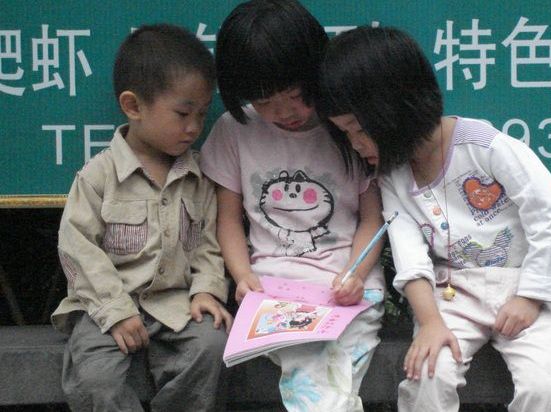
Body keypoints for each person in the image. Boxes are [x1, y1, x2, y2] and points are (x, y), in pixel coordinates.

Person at [318, 26, 551, 412]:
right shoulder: (392, 175)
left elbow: (549, 217)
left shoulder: (486, 146)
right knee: (428, 375)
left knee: (544, 389)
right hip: (451, 295)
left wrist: (529, 296)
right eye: (346, 133)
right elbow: (408, 253)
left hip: (529, 287)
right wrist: (429, 322)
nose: (355, 144)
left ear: (394, 107)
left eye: (359, 129)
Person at [199, 1, 386, 410]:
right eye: (264, 102)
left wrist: (355, 273)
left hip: (349, 284)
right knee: (314, 372)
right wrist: (242, 274)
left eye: (297, 95)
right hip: (273, 290)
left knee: (332, 373)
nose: (284, 113)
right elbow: (227, 219)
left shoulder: (347, 128)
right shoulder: (235, 130)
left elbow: (374, 216)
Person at [51, 23, 232, 412]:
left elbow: (207, 246)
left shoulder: (198, 179)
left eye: (201, 114)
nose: (194, 128)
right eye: (183, 114)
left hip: (177, 305)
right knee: (95, 378)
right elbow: (78, 249)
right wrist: (115, 311)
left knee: (212, 344)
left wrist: (206, 291)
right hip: (105, 307)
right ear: (133, 106)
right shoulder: (98, 177)